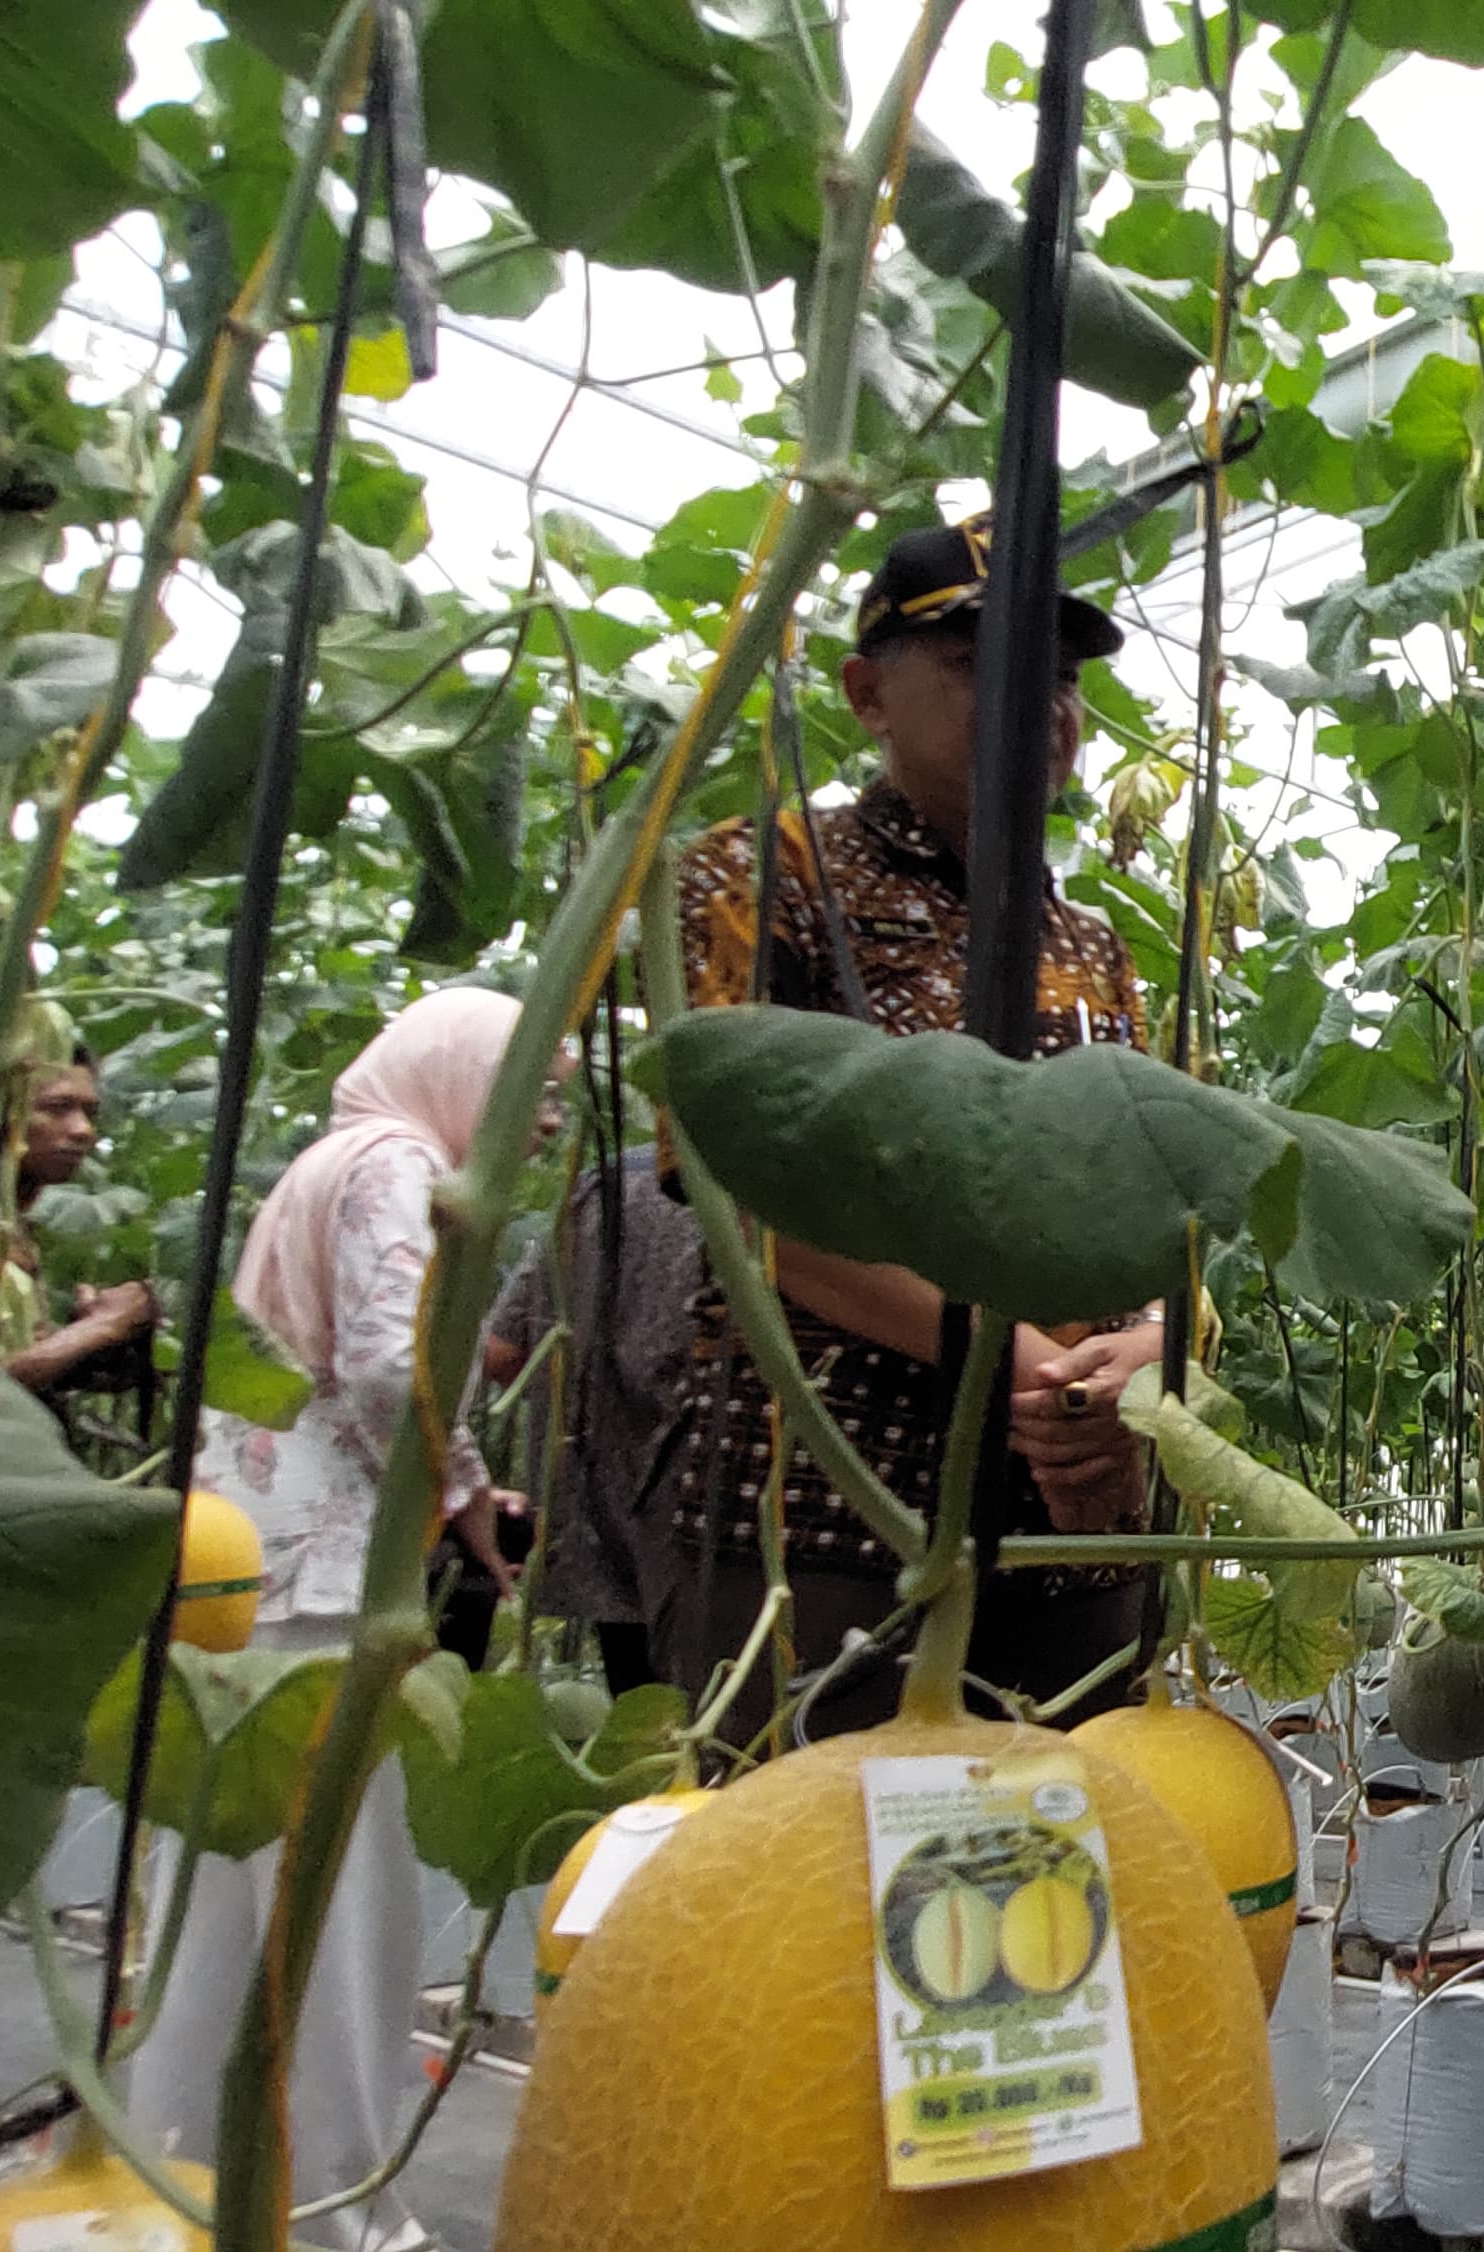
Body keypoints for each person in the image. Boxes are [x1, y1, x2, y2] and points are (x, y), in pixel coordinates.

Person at [658, 513, 1171, 1741]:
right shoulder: (756, 874)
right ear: (864, 691)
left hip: (1075, 1513)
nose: (1037, 702)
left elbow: (1162, 1206)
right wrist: (1031, 1370)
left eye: (1057, 678)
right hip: (833, 1518)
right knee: (821, 1890)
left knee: (1060, 1898)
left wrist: (1144, 1352)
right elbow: (732, 1192)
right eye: (977, 663)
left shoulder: (1091, 942)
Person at [133, 983, 540, 2252]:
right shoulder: (397, 1162)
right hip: (323, 1587)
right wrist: (468, 1489)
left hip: (241, 1571)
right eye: (526, 1088)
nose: (533, 1124)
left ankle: (166, 2174)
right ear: (465, 1070)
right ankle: (344, 2204)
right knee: (343, 1911)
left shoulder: (328, 1158)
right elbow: (382, 1360)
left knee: (216, 1897)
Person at [484, 1143, 695, 1696]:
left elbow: (503, 1353)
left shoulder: (599, 1185)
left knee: (644, 1725)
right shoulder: (742, 1188)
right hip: (704, 1522)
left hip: (593, 1517)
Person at [0, 1045, 157, 1408]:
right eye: (57, 1108)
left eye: (89, 1112)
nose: (84, 1131)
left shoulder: (4, 1219)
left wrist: (88, 1339)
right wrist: (102, 1326)